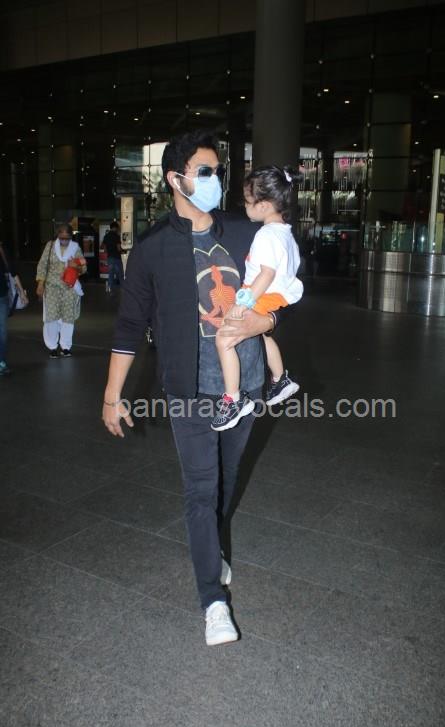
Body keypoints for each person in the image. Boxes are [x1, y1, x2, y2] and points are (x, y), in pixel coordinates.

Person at [102, 130, 287, 646]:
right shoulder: (153, 248)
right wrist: (112, 396)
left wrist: (266, 323)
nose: (215, 181)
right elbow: (128, 328)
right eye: (204, 172)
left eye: (217, 172)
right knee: (201, 491)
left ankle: (213, 548)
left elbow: (285, 290)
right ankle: (212, 601)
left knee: (226, 483)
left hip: (245, 386)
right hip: (191, 391)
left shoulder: (246, 233)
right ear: (175, 179)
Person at [212, 166, 303, 431]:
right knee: (263, 335)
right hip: (279, 295)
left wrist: (244, 303)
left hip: (265, 294)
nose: (245, 206)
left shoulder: (266, 235)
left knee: (224, 339)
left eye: (247, 201)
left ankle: (233, 399)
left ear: (263, 206)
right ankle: (280, 379)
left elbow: (266, 274)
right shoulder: (285, 233)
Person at [36, 223, 87, 358]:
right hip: (52, 287)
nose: (64, 240)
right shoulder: (50, 246)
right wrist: (40, 284)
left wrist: (76, 266)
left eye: (67, 238)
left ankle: (65, 347)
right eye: (62, 237)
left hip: (69, 288)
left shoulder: (75, 248)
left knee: (67, 318)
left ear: (71, 236)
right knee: (51, 317)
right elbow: (42, 265)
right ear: (58, 235)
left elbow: (83, 268)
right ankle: (52, 346)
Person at [0, 241, 28, 376]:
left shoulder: (2, 250)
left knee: (2, 333)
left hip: (2, 297)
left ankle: (1, 362)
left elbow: (13, 272)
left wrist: (22, 292)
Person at [102, 221, 123, 293]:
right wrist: (122, 251)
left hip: (110, 257)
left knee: (110, 274)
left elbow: (104, 247)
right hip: (117, 257)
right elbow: (119, 248)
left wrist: (108, 250)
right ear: (115, 228)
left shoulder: (106, 236)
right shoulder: (116, 236)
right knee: (119, 274)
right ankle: (122, 288)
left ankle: (110, 288)